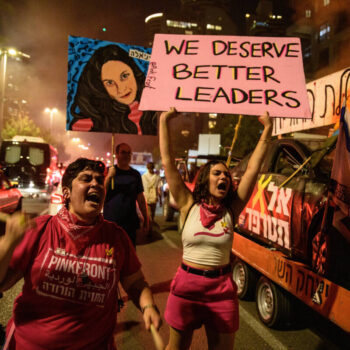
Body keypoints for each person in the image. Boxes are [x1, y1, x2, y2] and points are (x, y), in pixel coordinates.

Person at [0, 158, 161, 349]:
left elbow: (135, 283)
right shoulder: (41, 229)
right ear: (66, 192)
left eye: (99, 181)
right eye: (86, 179)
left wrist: (148, 306)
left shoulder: (115, 236)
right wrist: (8, 242)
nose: (95, 184)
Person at [159, 108, 272, 350]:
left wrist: (267, 131)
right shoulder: (188, 204)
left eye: (227, 175)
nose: (224, 177)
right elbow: (168, 161)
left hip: (221, 290)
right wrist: (163, 121)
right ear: (204, 178)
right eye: (217, 173)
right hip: (185, 288)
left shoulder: (232, 209)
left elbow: (252, 169)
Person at [69, 44, 157, 135]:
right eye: (110, 83)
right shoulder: (89, 123)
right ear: (101, 87)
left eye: (124, 76)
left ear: (134, 73)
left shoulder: (153, 112)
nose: (121, 89)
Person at [104, 143, 149, 246]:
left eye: (129, 153)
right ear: (116, 154)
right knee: (111, 255)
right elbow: (101, 192)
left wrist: (146, 219)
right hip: (111, 222)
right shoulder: (109, 171)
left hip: (130, 223)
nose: (126, 155)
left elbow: (140, 199)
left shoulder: (135, 175)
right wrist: (109, 177)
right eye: (123, 152)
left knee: (129, 255)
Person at [142, 162, 162, 231]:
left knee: (149, 214)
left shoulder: (143, 177)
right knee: (152, 214)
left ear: (147, 168)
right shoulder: (157, 177)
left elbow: (141, 189)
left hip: (147, 197)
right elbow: (159, 189)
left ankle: (149, 226)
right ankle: (150, 227)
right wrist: (161, 200)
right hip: (154, 197)